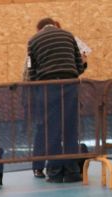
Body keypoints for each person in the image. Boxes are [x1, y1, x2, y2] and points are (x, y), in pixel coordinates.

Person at [27, 17, 85, 183]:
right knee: (70, 129)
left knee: (51, 130)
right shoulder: (68, 35)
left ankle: (55, 172)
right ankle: (72, 172)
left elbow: (32, 71)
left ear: (39, 28)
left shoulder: (33, 41)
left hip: (48, 87)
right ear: (54, 24)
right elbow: (79, 66)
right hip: (70, 85)